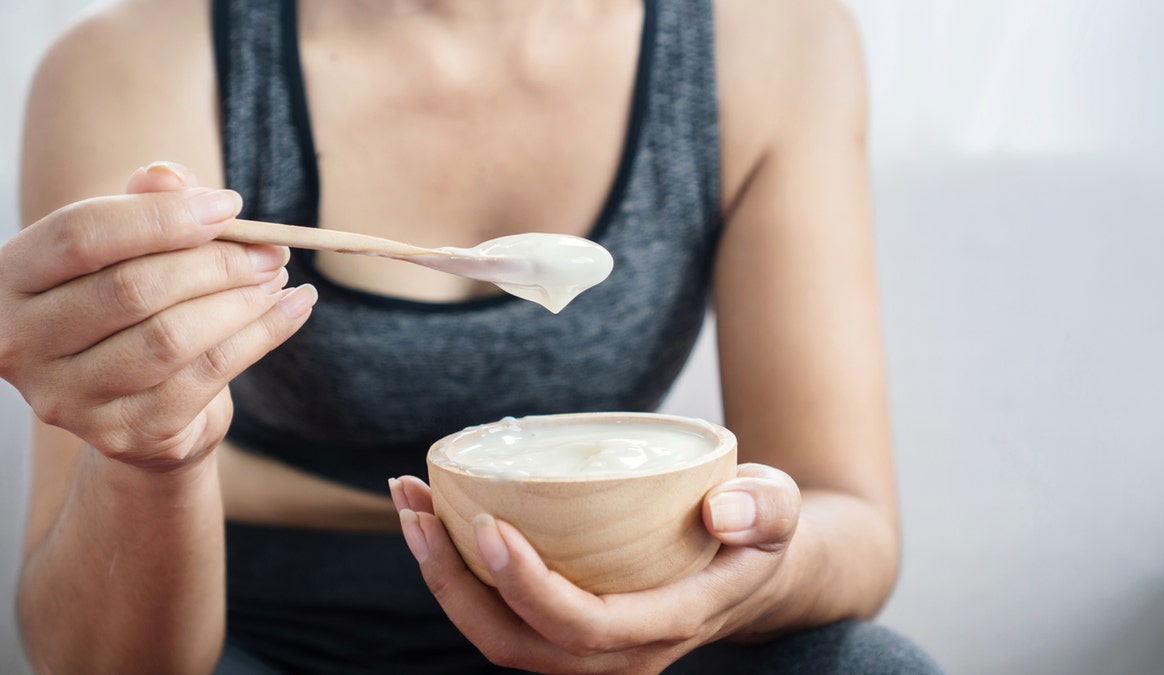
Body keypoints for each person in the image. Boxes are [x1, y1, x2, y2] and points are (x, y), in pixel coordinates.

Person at [1, 0, 944, 673]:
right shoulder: (137, 61)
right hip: (257, 619)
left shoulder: (771, 40)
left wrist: (741, 587)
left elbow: (847, 517)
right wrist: (153, 463)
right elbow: (84, 656)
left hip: (623, 596)